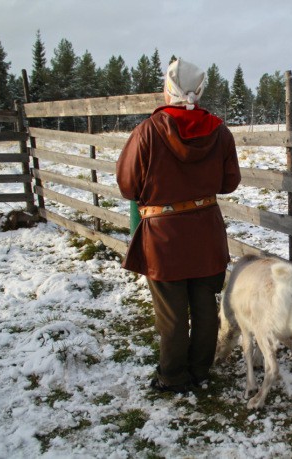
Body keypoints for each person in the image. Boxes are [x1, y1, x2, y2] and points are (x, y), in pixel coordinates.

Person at [116, 58, 241, 393]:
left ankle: (173, 376)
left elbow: (128, 185)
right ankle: (200, 370)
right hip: (205, 234)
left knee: (172, 313)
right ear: (198, 90)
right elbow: (230, 183)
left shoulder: (146, 132)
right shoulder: (219, 131)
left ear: (168, 89)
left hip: (164, 239)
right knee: (203, 306)